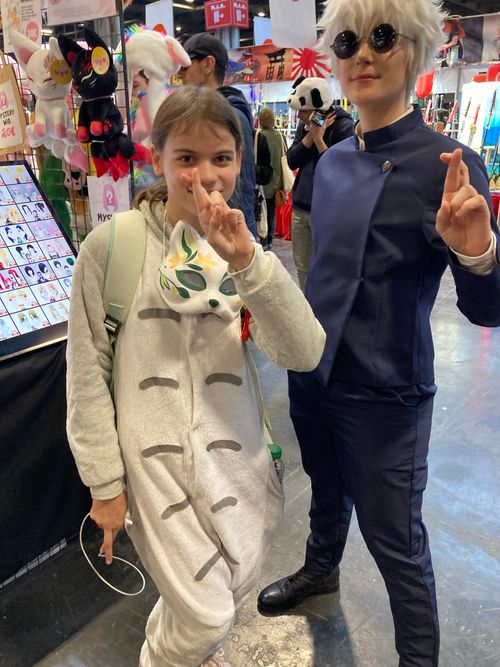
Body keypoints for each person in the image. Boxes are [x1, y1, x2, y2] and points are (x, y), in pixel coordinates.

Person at [257, 1, 500, 666]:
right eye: (347, 41)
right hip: (314, 370)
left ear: (414, 50)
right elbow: (316, 269)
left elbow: (487, 311)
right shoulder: (333, 161)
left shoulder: (450, 164)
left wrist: (479, 252)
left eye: (382, 37)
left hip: (386, 391)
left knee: (396, 542)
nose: (362, 54)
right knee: (324, 487)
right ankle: (320, 568)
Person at [66, 86, 325, 667]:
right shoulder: (112, 247)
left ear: (239, 161)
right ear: (158, 157)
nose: (204, 175)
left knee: (225, 585)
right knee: (207, 616)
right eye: (186, 157)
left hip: (235, 460)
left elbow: (304, 351)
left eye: (220, 158)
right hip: (153, 471)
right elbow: (86, 373)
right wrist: (104, 483)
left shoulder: (239, 248)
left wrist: (250, 263)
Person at [179, 33, 257, 238]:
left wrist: (229, 232)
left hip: (226, 229)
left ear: (208, 64)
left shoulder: (228, 115)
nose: (180, 74)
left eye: (185, 66)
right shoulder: (215, 112)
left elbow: (237, 184)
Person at [286, 78, 354, 290]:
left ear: (318, 107)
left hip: (327, 211)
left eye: (303, 111)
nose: (299, 116)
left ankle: (320, 307)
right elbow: (291, 161)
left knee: (326, 267)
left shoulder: (344, 126)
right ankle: (306, 306)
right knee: (302, 267)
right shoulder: (305, 126)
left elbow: (340, 172)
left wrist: (319, 140)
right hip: (300, 207)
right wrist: (310, 136)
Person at [256, 108, 285, 251]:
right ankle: (269, 240)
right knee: (272, 212)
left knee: (262, 210)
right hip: (277, 180)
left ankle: (263, 238)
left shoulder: (259, 136)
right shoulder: (280, 135)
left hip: (263, 179)